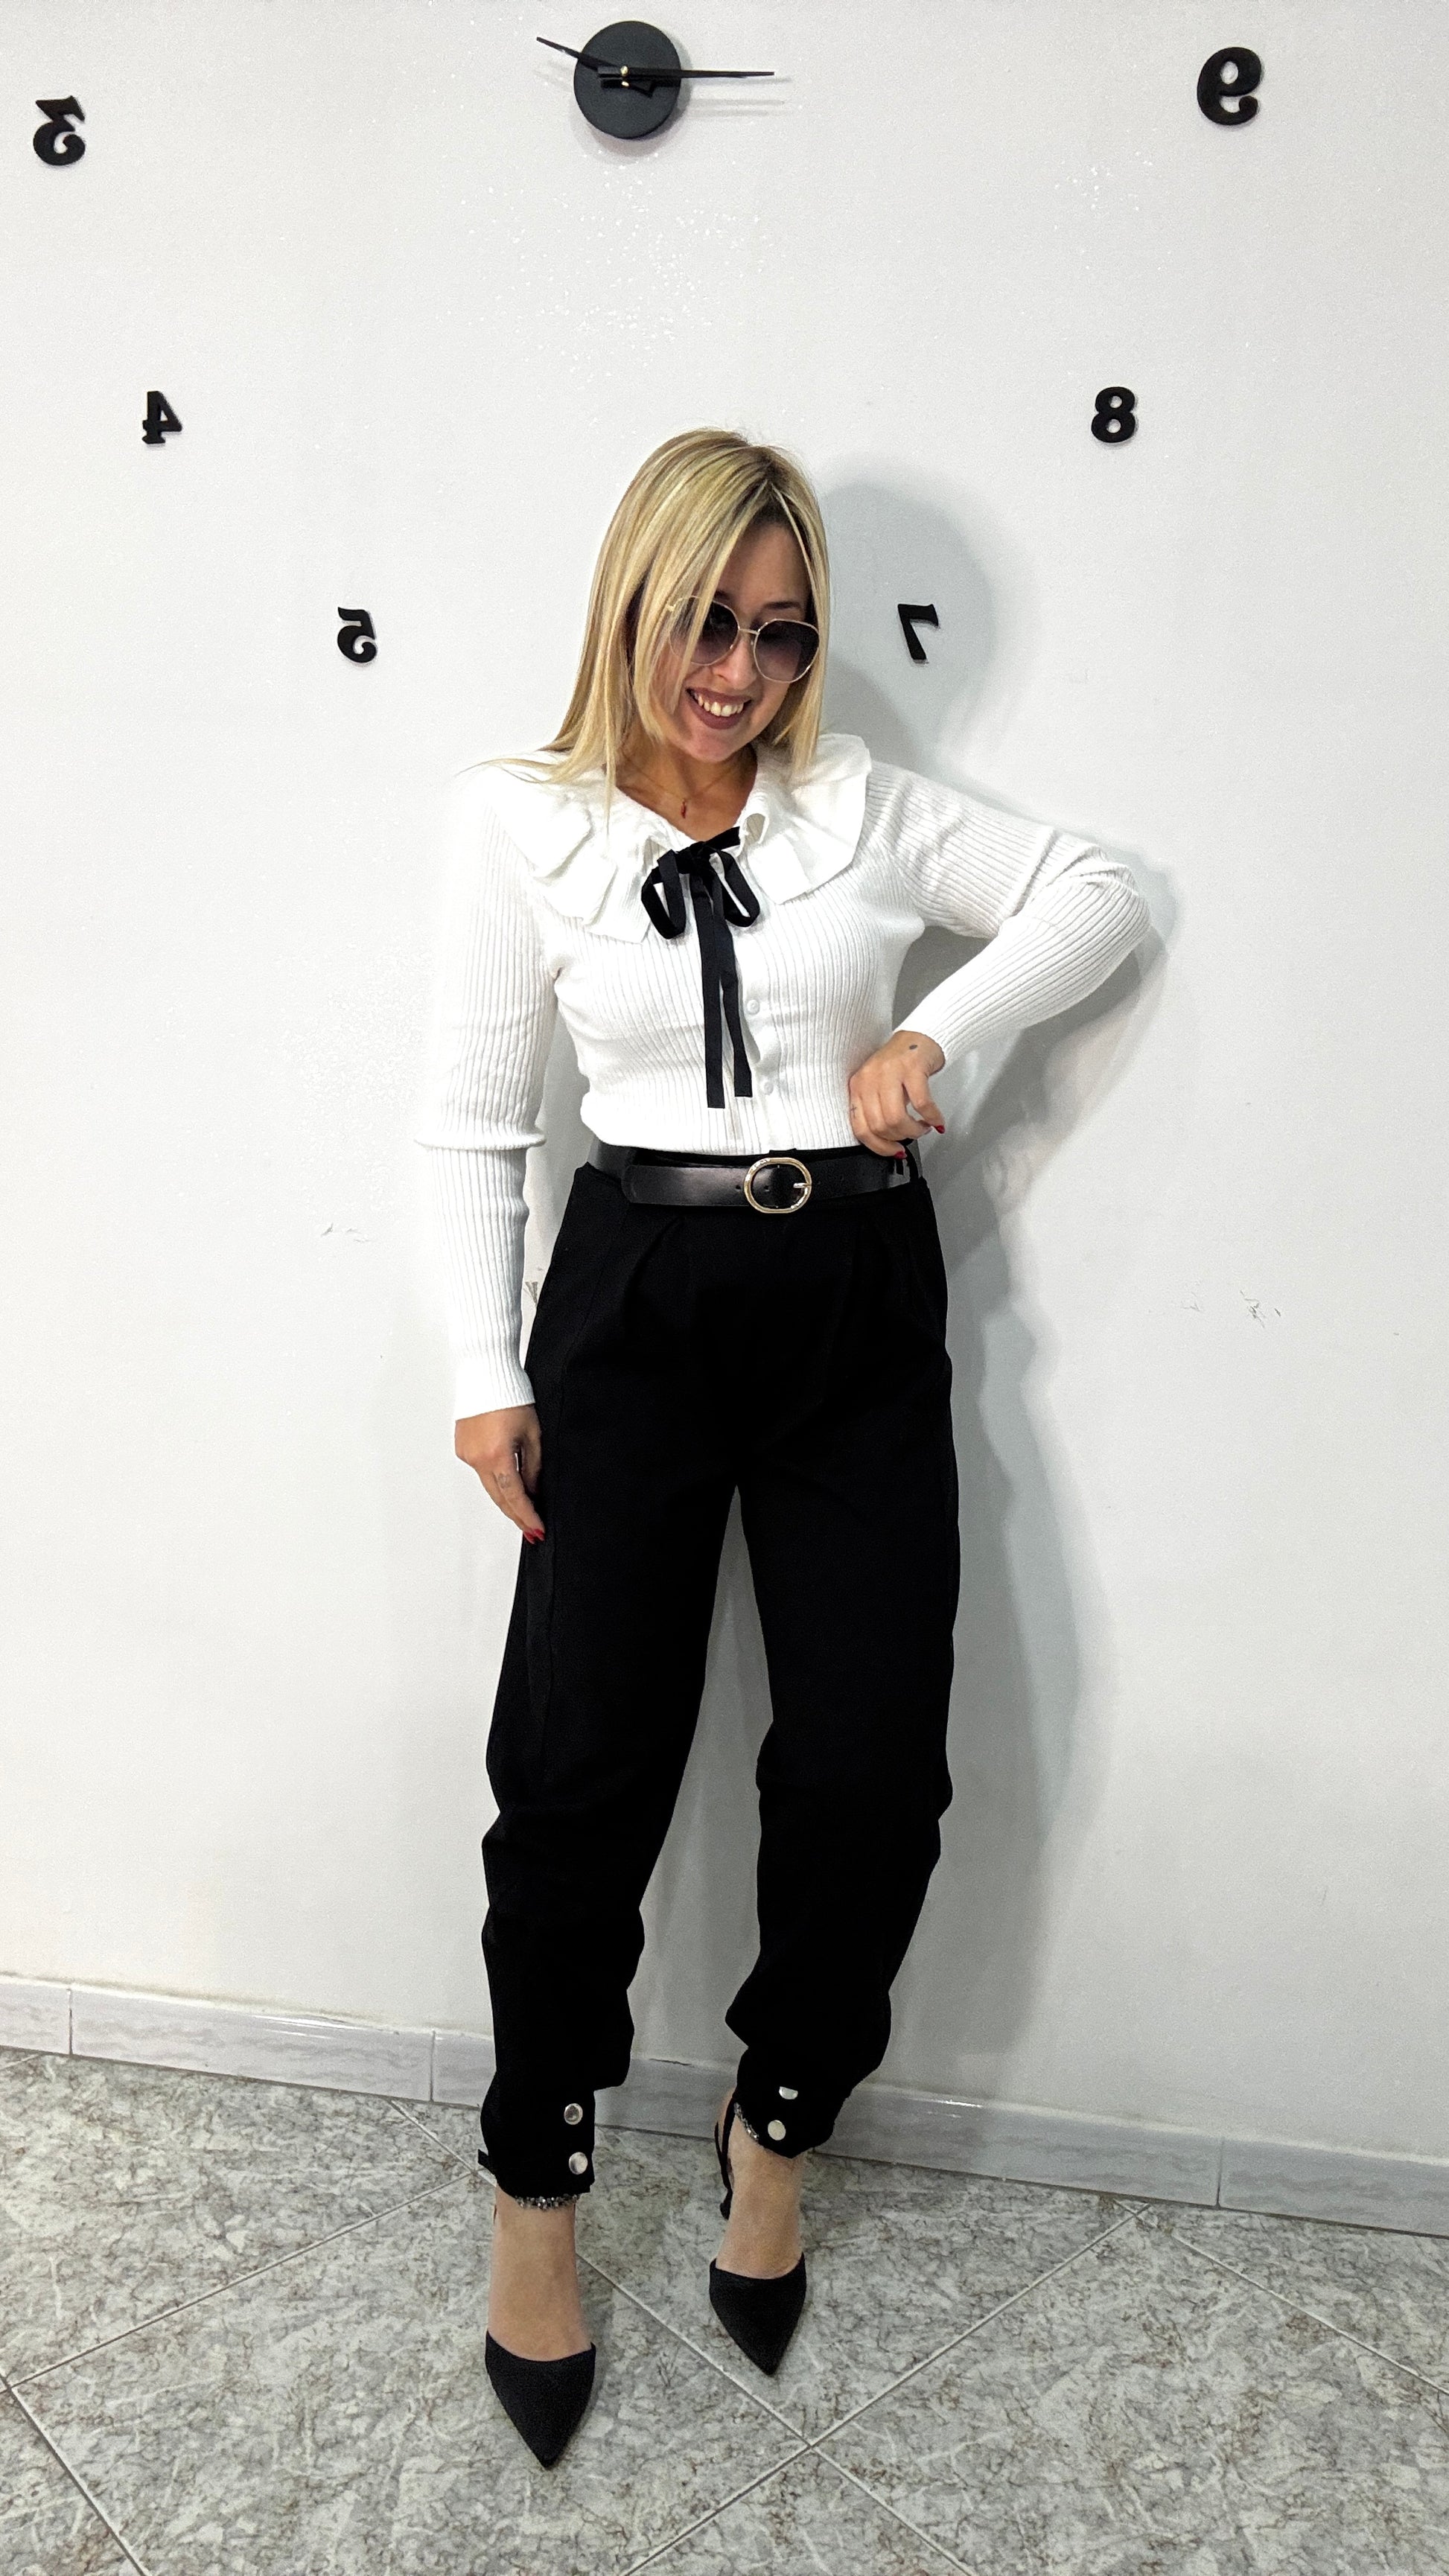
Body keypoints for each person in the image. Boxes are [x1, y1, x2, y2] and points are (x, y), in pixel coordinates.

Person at [414, 427, 1149, 2464]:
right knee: (580, 1768)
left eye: (779, 632)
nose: (736, 673)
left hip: (850, 1303)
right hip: (632, 1308)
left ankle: (778, 2119)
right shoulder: (521, 821)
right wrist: (482, 1367)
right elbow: (471, 1120)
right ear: (629, 605)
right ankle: (537, 2183)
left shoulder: (856, 809)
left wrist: (940, 1030)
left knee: (868, 1767)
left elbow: (1096, 893)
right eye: (703, 624)